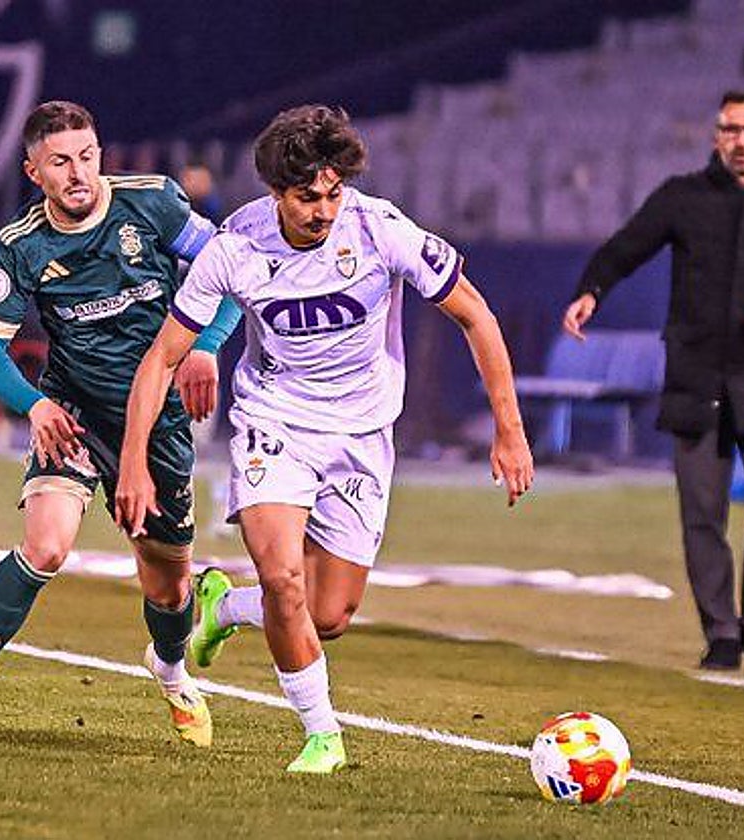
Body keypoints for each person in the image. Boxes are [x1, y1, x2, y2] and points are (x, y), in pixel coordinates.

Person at [118, 104, 534, 773]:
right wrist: (133, 462)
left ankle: (225, 608)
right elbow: (162, 356)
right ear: (276, 193)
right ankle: (323, 735)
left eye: (333, 193)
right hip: (273, 422)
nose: (324, 209)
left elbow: (476, 316)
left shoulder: (381, 229)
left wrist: (510, 433)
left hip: (362, 433)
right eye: (308, 197)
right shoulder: (238, 246)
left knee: (328, 613)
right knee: (283, 578)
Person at [0, 101, 242, 748]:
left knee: (168, 583)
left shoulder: (152, 204)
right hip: (73, 412)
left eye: (88, 156)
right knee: (45, 546)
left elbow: (230, 276)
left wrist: (206, 345)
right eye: (61, 162)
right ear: (33, 172)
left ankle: (172, 668)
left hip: (159, 419)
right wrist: (37, 406)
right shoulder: (20, 247)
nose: (79, 173)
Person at [561, 90, 744, 672]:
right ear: (716, 137)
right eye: (731, 130)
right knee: (702, 513)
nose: (742, 141)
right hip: (695, 380)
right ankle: (721, 631)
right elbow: (626, 247)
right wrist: (592, 289)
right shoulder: (682, 197)